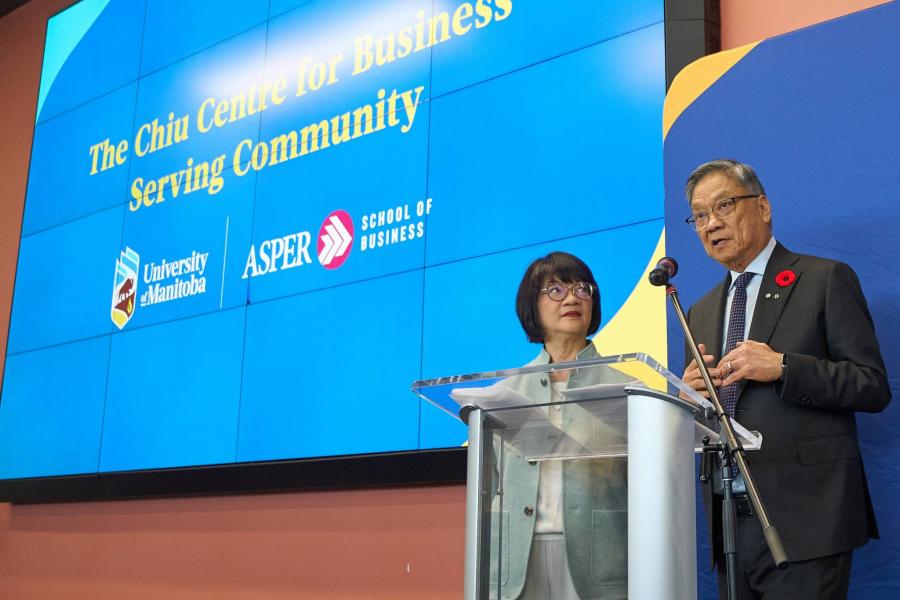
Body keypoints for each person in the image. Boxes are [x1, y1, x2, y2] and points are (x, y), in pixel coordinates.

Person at [680, 159, 891, 600]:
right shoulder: (698, 311)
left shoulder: (823, 279)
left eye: (723, 206)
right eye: (700, 215)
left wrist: (784, 367)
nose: (711, 224)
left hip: (807, 520)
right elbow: (707, 419)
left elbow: (871, 385)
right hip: (730, 524)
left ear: (763, 206)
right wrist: (690, 397)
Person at [491, 251, 631, 600]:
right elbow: (490, 487)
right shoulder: (502, 394)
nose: (572, 298)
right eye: (555, 290)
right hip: (517, 563)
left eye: (583, 289)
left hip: (600, 562)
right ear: (531, 306)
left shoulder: (630, 392)